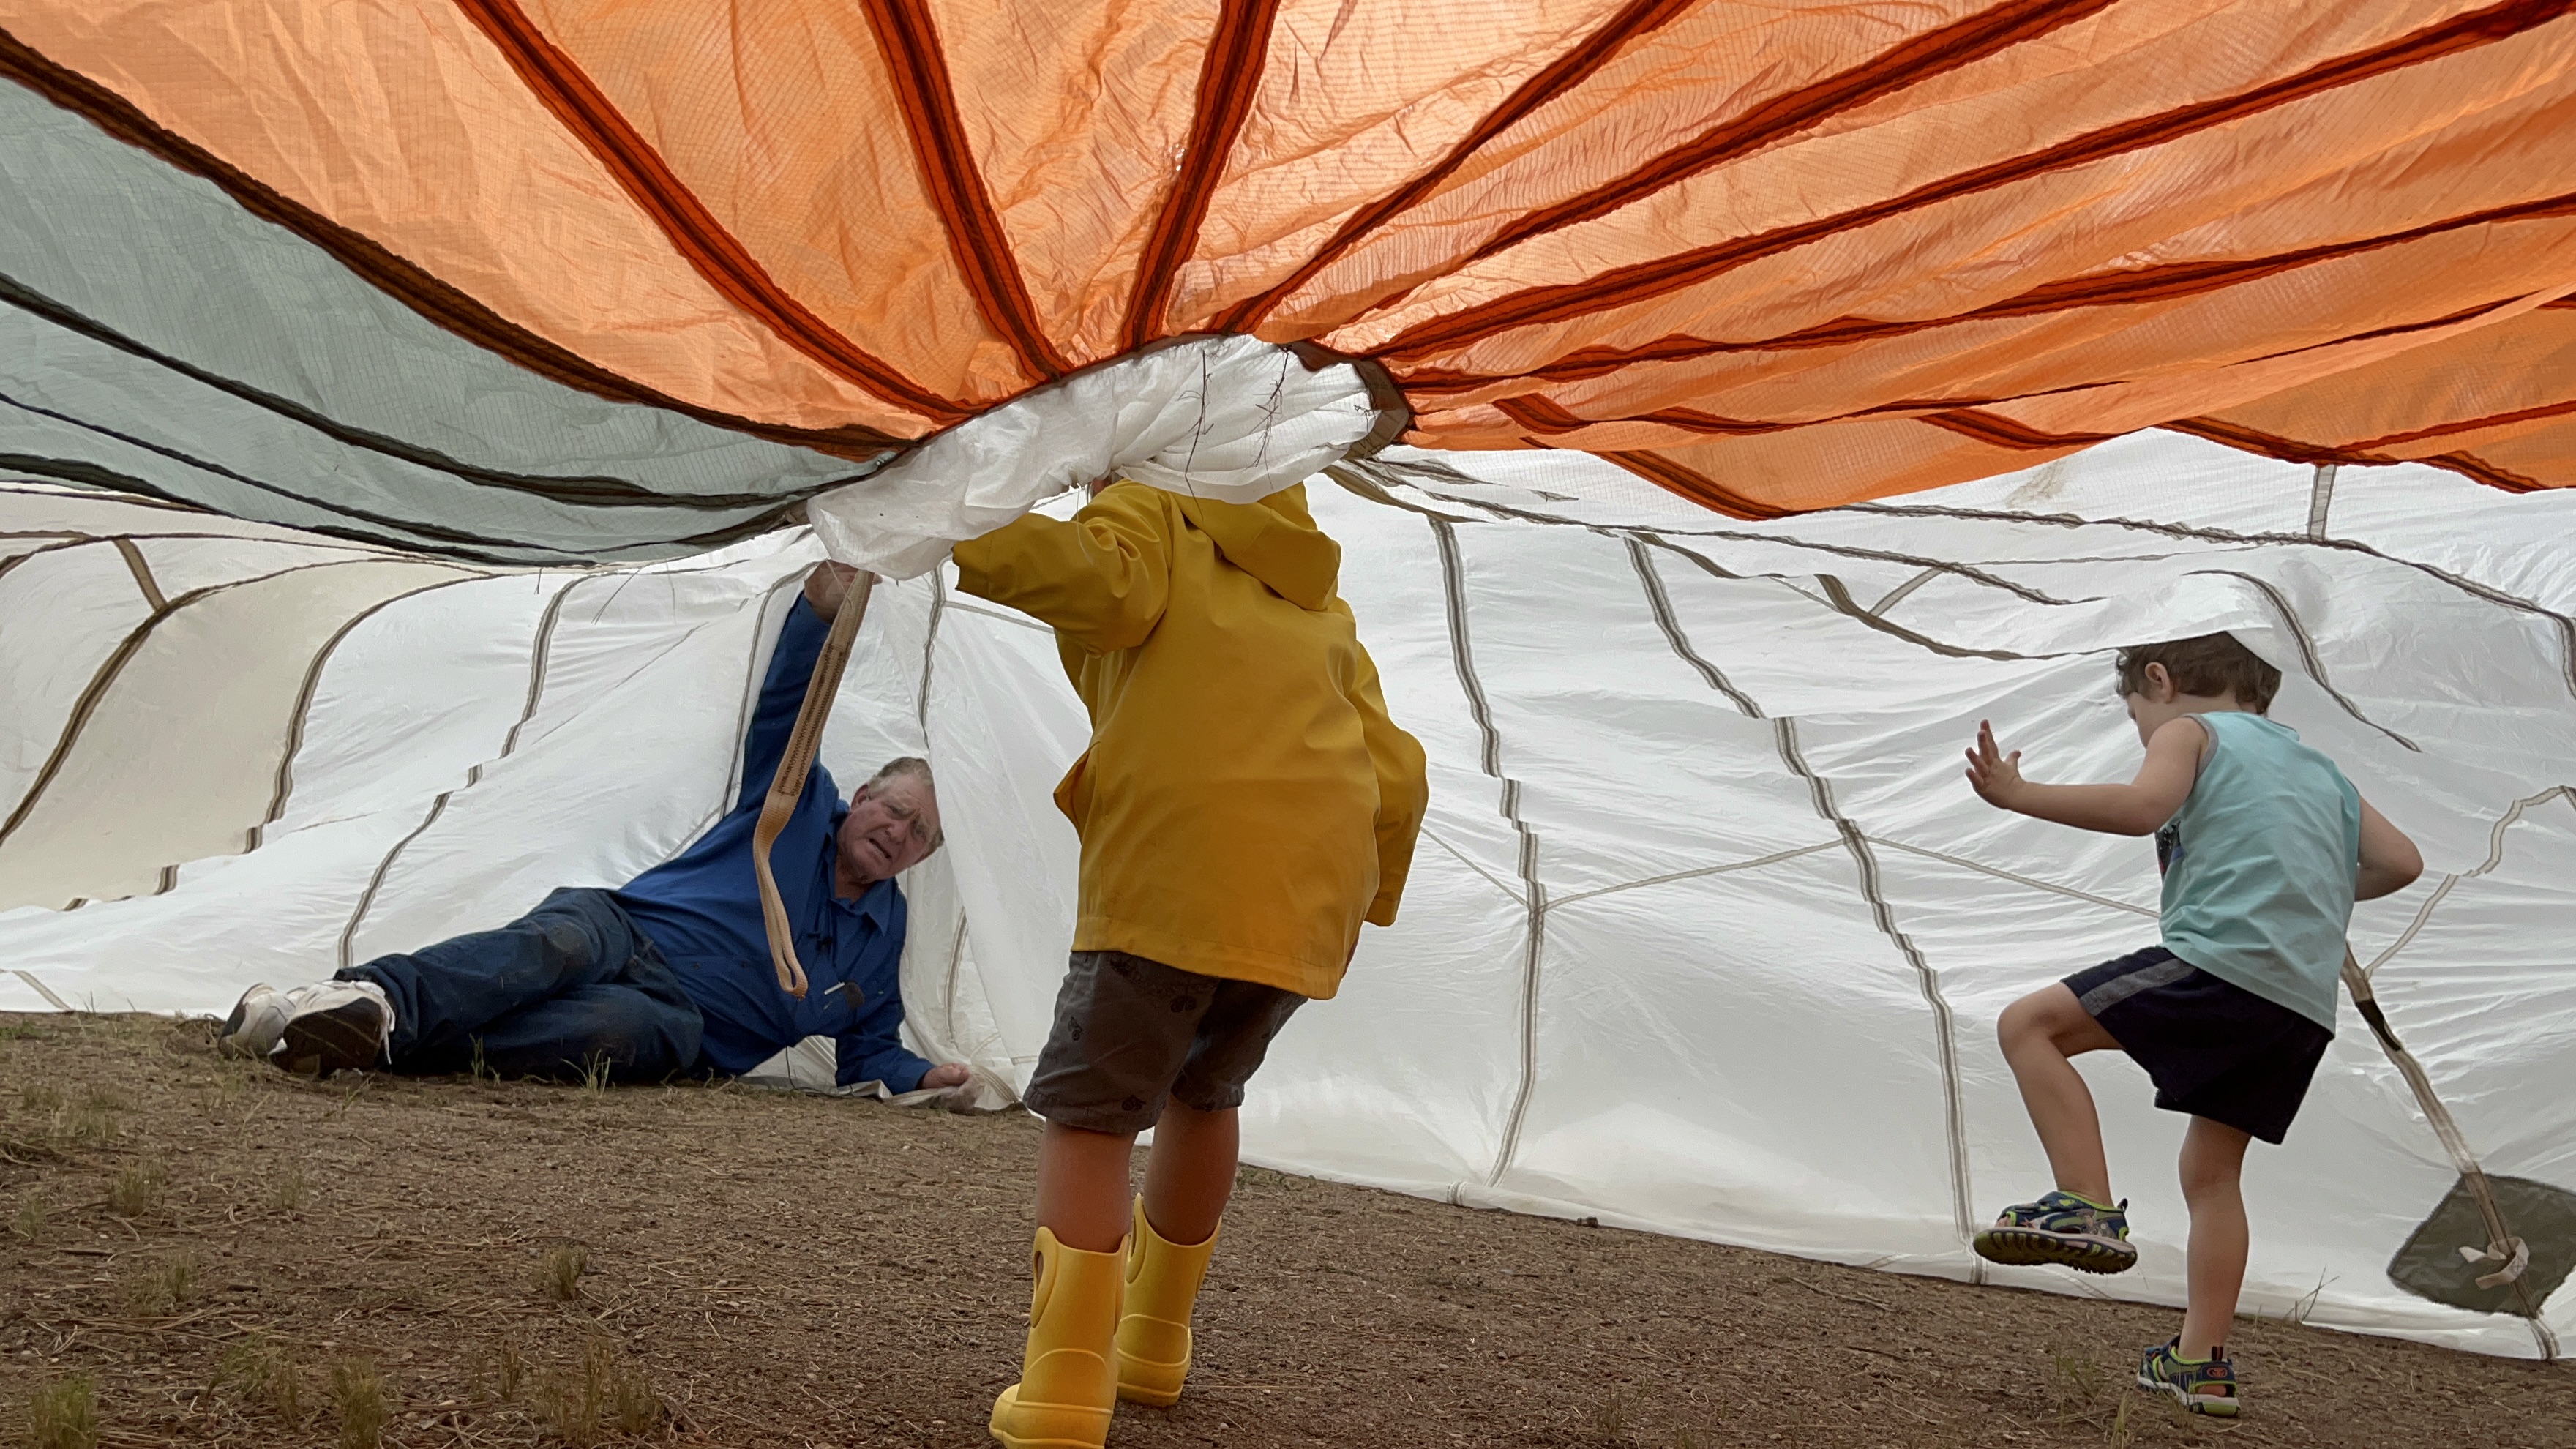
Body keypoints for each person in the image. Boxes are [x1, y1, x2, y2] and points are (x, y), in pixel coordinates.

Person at [951, 476, 1427, 1449]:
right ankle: (1154, 1342)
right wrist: (1356, 902)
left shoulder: (1154, 505)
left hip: (1178, 872)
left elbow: (1105, 586)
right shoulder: (1320, 605)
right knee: (1204, 1094)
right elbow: (1400, 772)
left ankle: (1065, 1387)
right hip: (1302, 902)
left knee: (1092, 1116)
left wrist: (953, 519)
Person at [219, 563, 972, 1095]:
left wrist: (923, 1075)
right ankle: (371, 1001)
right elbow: (790, 709)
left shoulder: (881, 941)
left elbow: (867, 1052)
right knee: (555, 947)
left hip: (681, 1023)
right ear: (863, 796)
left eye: (919, 834)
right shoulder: (798, 806)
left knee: (609, 1031)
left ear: (922, 858)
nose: (898, 832)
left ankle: (345, 1037)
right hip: (626, 929)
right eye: (895, 809)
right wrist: (820, 610)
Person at [1963, 631, 2422, 1418]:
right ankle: (2199, 1362)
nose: (2144, 733)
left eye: (2134, 717)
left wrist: (2019, 793)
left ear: (2159, 680)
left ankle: (2084, 1202)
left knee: (2029, 1025)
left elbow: (2143, 808)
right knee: (2213, 1176)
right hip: (2298, 1008)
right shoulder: (2324, 772)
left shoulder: (2191, 732)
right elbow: (2401, 863)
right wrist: (2304, 885)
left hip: (2223, 961)